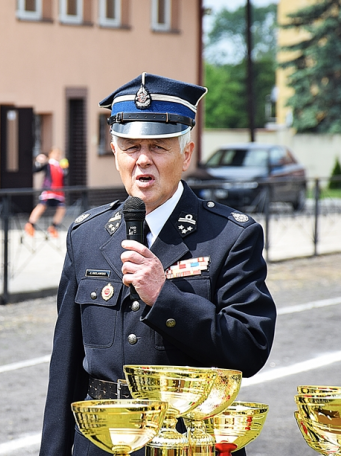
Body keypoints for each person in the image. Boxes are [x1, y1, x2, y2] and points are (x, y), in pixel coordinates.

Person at [39, 73, 276, 456]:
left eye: (159, 147)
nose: (143, 160)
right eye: (131, 146)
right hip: (103, 443)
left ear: (186, 154)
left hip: (190, 441)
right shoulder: (86, 234)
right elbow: (65, 366)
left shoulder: (230, 237)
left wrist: (165, 297)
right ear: (115, 153)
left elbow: (249, 348)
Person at [25, 147, 68, 238]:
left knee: (62, 209)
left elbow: (63, 178)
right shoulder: (48, 164)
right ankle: (30, 224)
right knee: (42, 206)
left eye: (58, 154)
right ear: (50, 155)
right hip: (49, 190)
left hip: (58, 192)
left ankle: (53, 226)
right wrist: (39, 162)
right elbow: (36, 170)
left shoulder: (60, 166)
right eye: (55, 154)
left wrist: (65, 169)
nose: (57, 156)